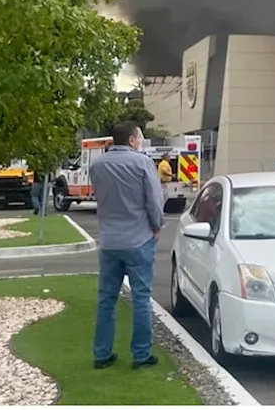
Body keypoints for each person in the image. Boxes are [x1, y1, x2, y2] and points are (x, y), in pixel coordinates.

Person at [89, 121, 165, 370]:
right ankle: (141, 355)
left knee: (106, 299)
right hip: (138, 238)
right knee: (141, 297)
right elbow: (154, 201)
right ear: (132, 140)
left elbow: (100, 198)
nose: (141, 142)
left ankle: (102, 354)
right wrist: (157, 226)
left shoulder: (97, 165)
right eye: (140, 138)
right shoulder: (142, 163)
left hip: (110, 240)